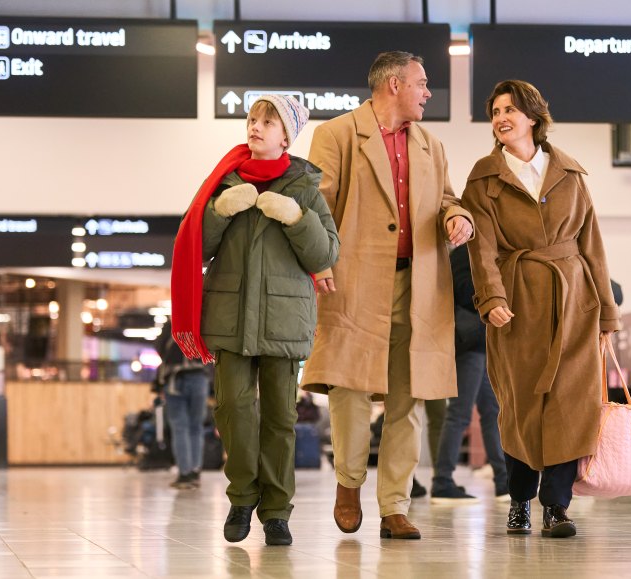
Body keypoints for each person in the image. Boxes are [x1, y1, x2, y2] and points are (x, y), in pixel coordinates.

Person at [301, 51, 474, 541]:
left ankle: (395, 504)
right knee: (350, 389)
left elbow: (446, 197)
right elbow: (316, 206)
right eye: (422, 84)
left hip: (419, 284)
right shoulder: (336, 135)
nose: (427, 93)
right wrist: (317, 263)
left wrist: (457, 217)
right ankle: (349, 483)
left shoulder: (431, 145)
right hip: (353, 280)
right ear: (394, 84)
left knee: (408, 397)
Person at [170, 94, 339, 546]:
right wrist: (220, 210)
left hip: (284, 318)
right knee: (233, 412)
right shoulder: (223, 182)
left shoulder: (305, 185)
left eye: (268, 121)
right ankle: (242, 497)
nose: (256, 127)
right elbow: (195, 247)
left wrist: (296, 217)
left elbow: (326, 252)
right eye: (252, 119)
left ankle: (277, 512)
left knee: (281, 419)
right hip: (228, 316)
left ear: (287, 134)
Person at [461, 80, 620, 538]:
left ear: (533, 117)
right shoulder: (484, 178)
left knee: (573, 406)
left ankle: (556, 506)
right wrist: (491, 299)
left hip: (575, 302)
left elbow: (592, 245)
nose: (501, 118)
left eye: (510, 109)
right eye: (495, 111)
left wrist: (607, 313)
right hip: (517, 302)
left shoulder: (569, 173)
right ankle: (518, 501)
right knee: (519, 406)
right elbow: (482, 248)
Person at [430, 246, 509, 504]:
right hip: (470, 342)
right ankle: (442, 482)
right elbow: (462, 290)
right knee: (460, 414)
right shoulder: (467, 252)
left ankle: (503, 481)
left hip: (481, 343)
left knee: (491, 412)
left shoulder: (478, 249)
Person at [155, 322, 211, 490]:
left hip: (175, 379)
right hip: (200, 377)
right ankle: (195, 471)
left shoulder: (173, 322)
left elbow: (159, 346)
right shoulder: (202, 322)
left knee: (180, 427)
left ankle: (184, 473)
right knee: (196, 427)